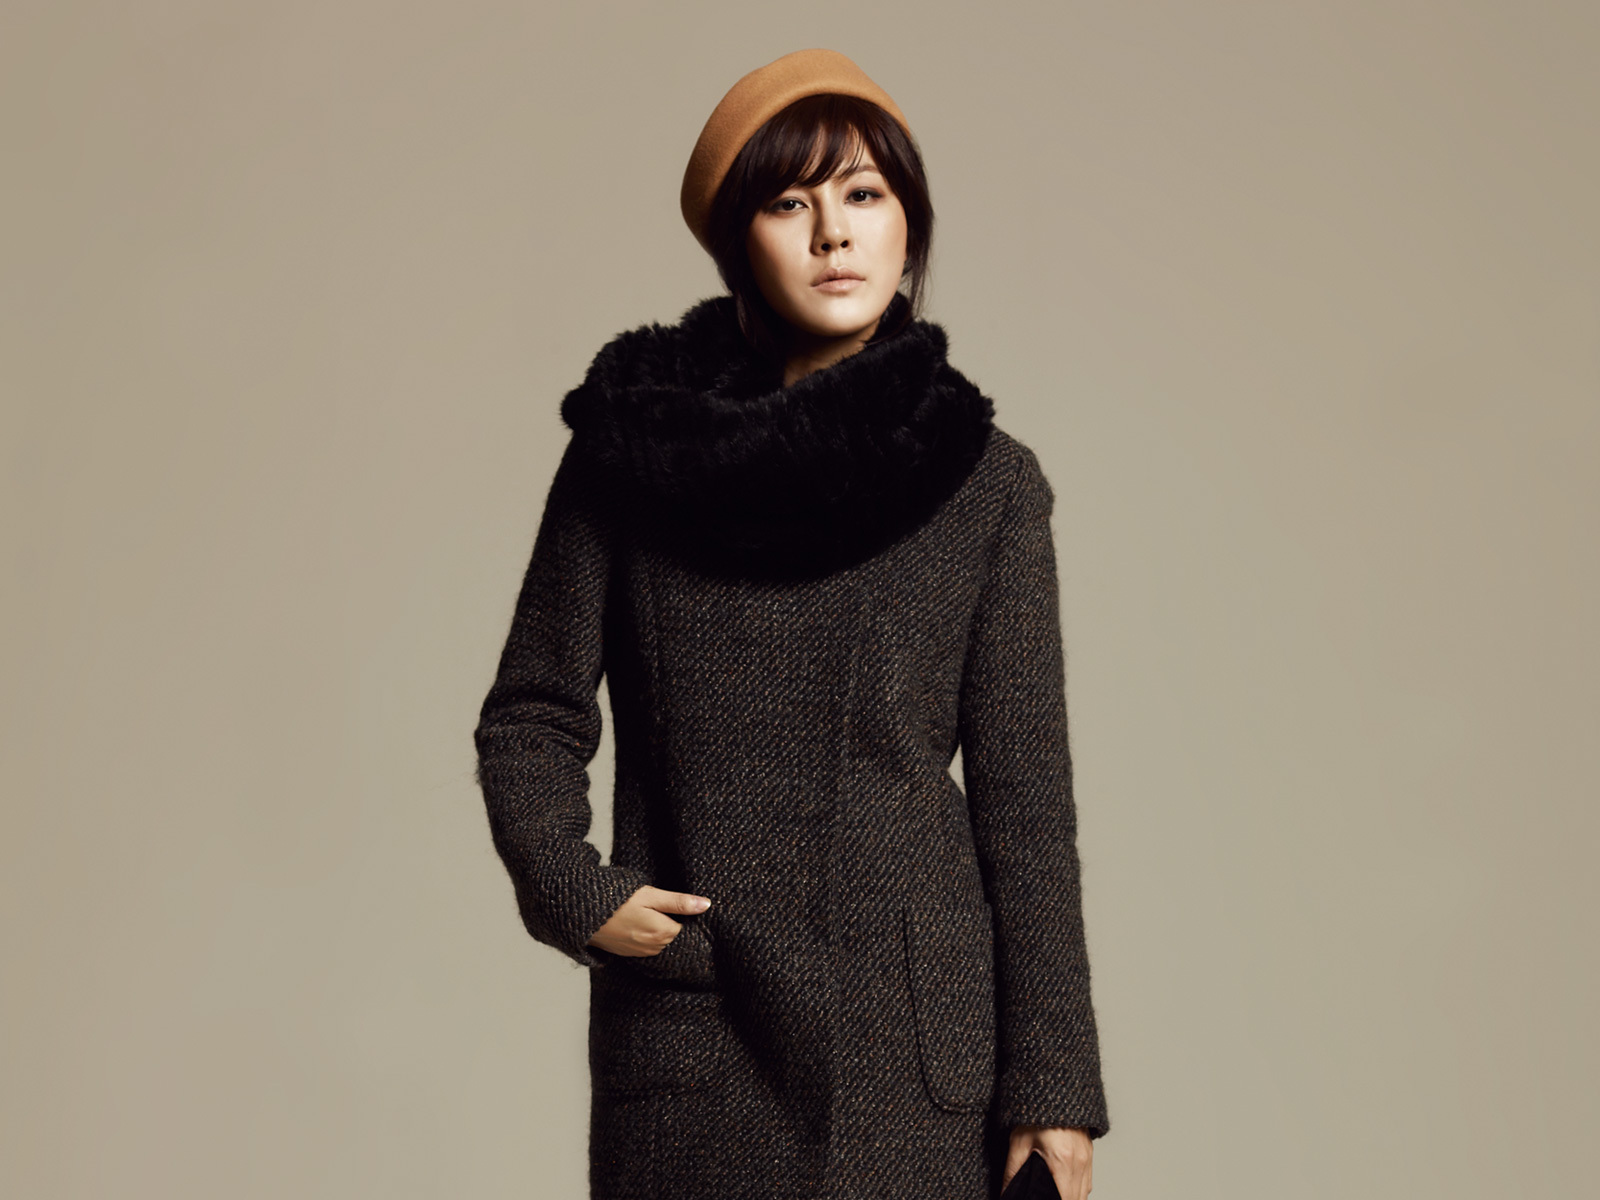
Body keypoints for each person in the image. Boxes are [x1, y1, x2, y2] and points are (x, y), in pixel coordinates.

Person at [473, 48, 1110, 1200]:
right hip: (695, 1033)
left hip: (914, 1057)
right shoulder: (632, 453)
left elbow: (1026, 810)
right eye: (788, 202)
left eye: (864, 193)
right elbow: (532, 713)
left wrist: (1054, 1089)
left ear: (909, 225)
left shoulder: (987, 483)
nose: (833, 234)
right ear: (739, 242)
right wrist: (574, 890)